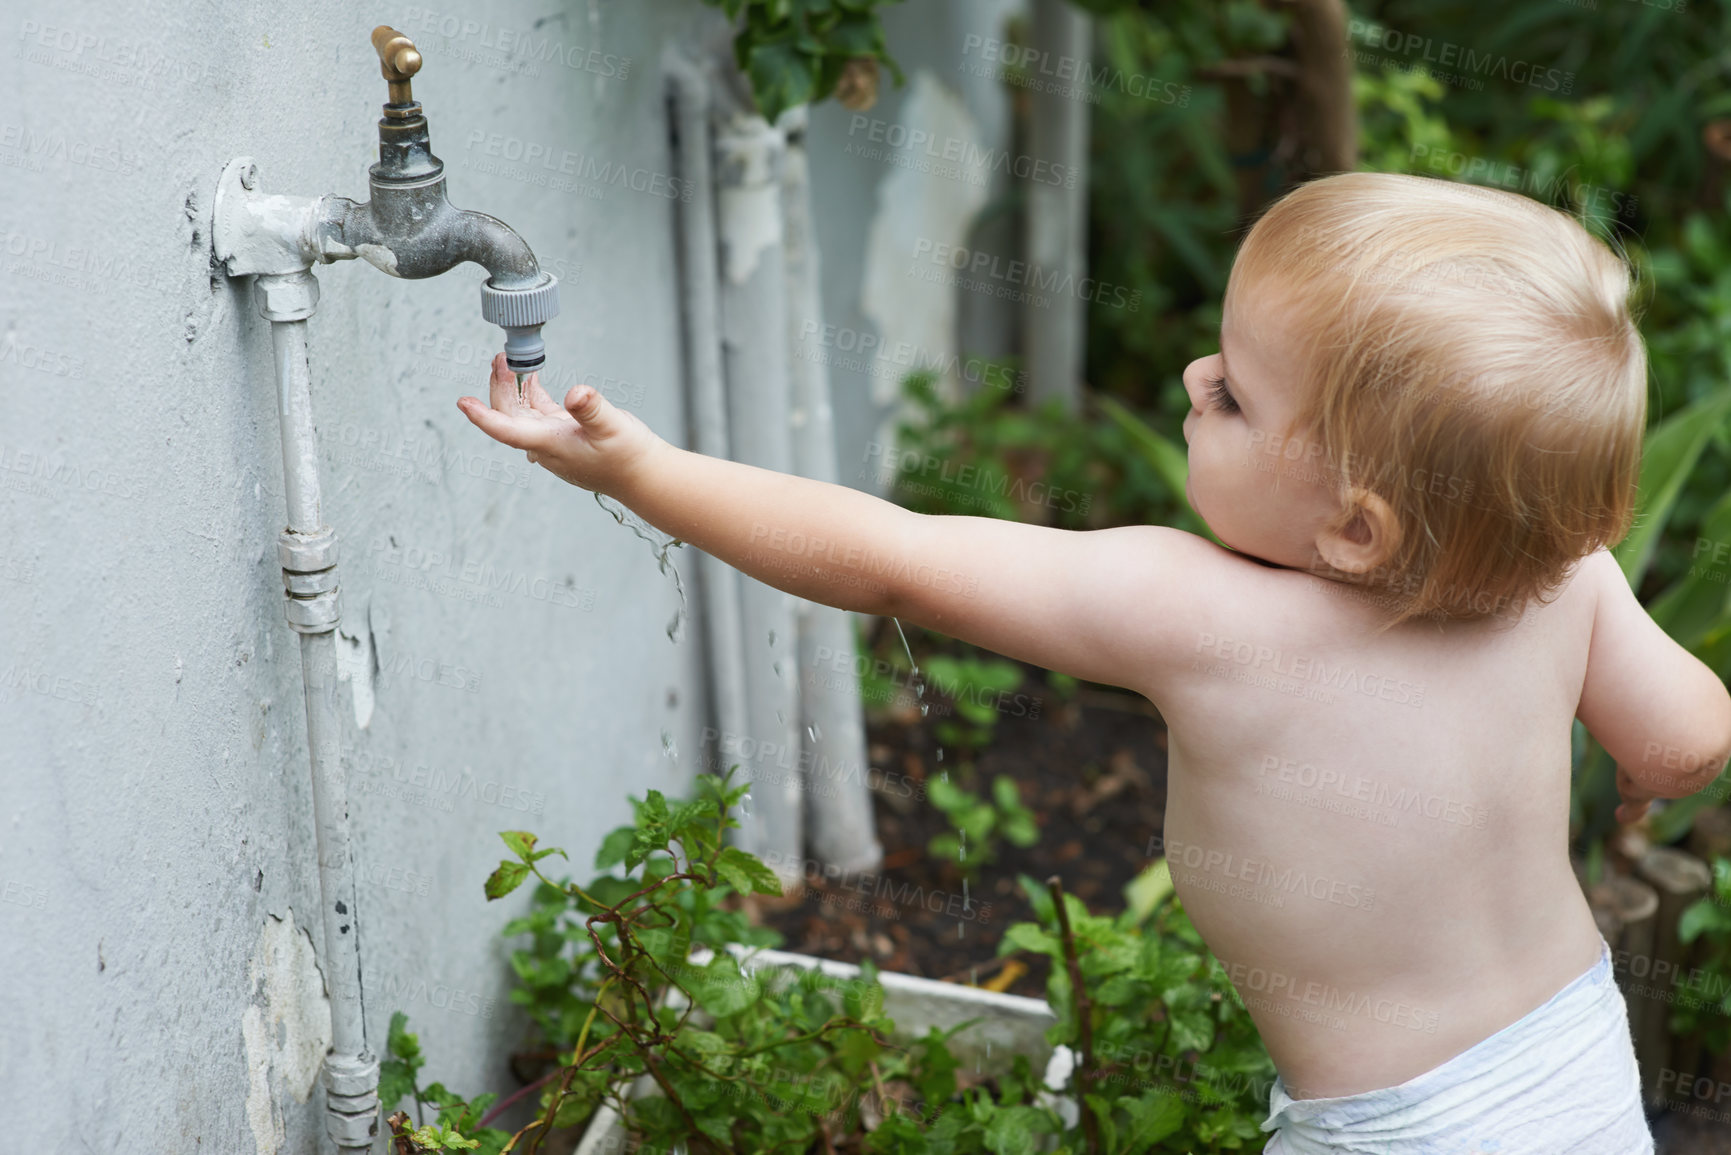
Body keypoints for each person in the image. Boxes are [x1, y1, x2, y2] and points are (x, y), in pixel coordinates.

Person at [456, 171, 1731, 1153]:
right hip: (1575, 1080)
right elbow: (1683, 741)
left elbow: (893, 558)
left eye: (1234, 393)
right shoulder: (1561, 573)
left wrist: (643, 470)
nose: (1191, 374)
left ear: (1357, 527)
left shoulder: (1198, 614)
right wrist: (1631, 768)